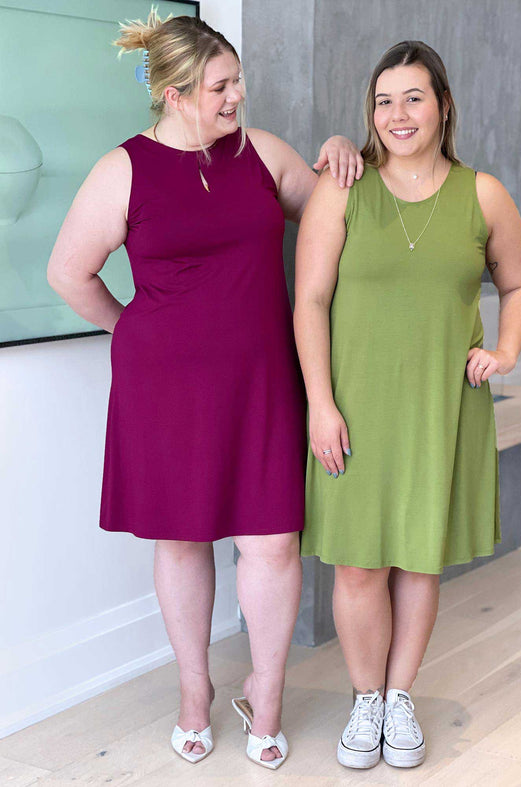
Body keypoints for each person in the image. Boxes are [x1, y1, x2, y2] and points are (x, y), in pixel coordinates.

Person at [47, 11, 363, 771]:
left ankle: (269, 693)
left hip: (261, 380)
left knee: (272, 543)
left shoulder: (261, 154)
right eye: (222, 86)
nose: (237, 97)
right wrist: (133, 329)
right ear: (177, 93)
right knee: (182, 537)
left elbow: (331, 210)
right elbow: (69, 272)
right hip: (165, 388)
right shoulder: (122, 169)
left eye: (237, 81)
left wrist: (345, 151)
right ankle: (195, 693)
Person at [294, 40, 521, 770]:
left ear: (444, 105)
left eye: (413, 98)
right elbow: (308, 299)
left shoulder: (483, 193)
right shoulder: (343, 186)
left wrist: (509, 350)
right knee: (359, 566)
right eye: (383, 100)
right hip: (355, 406)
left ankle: (401, 697)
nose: (397, 114)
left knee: (418, 562)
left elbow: (519, 283)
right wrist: (319, 403)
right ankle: (366, 697)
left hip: (442, 405)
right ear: (370, 113)